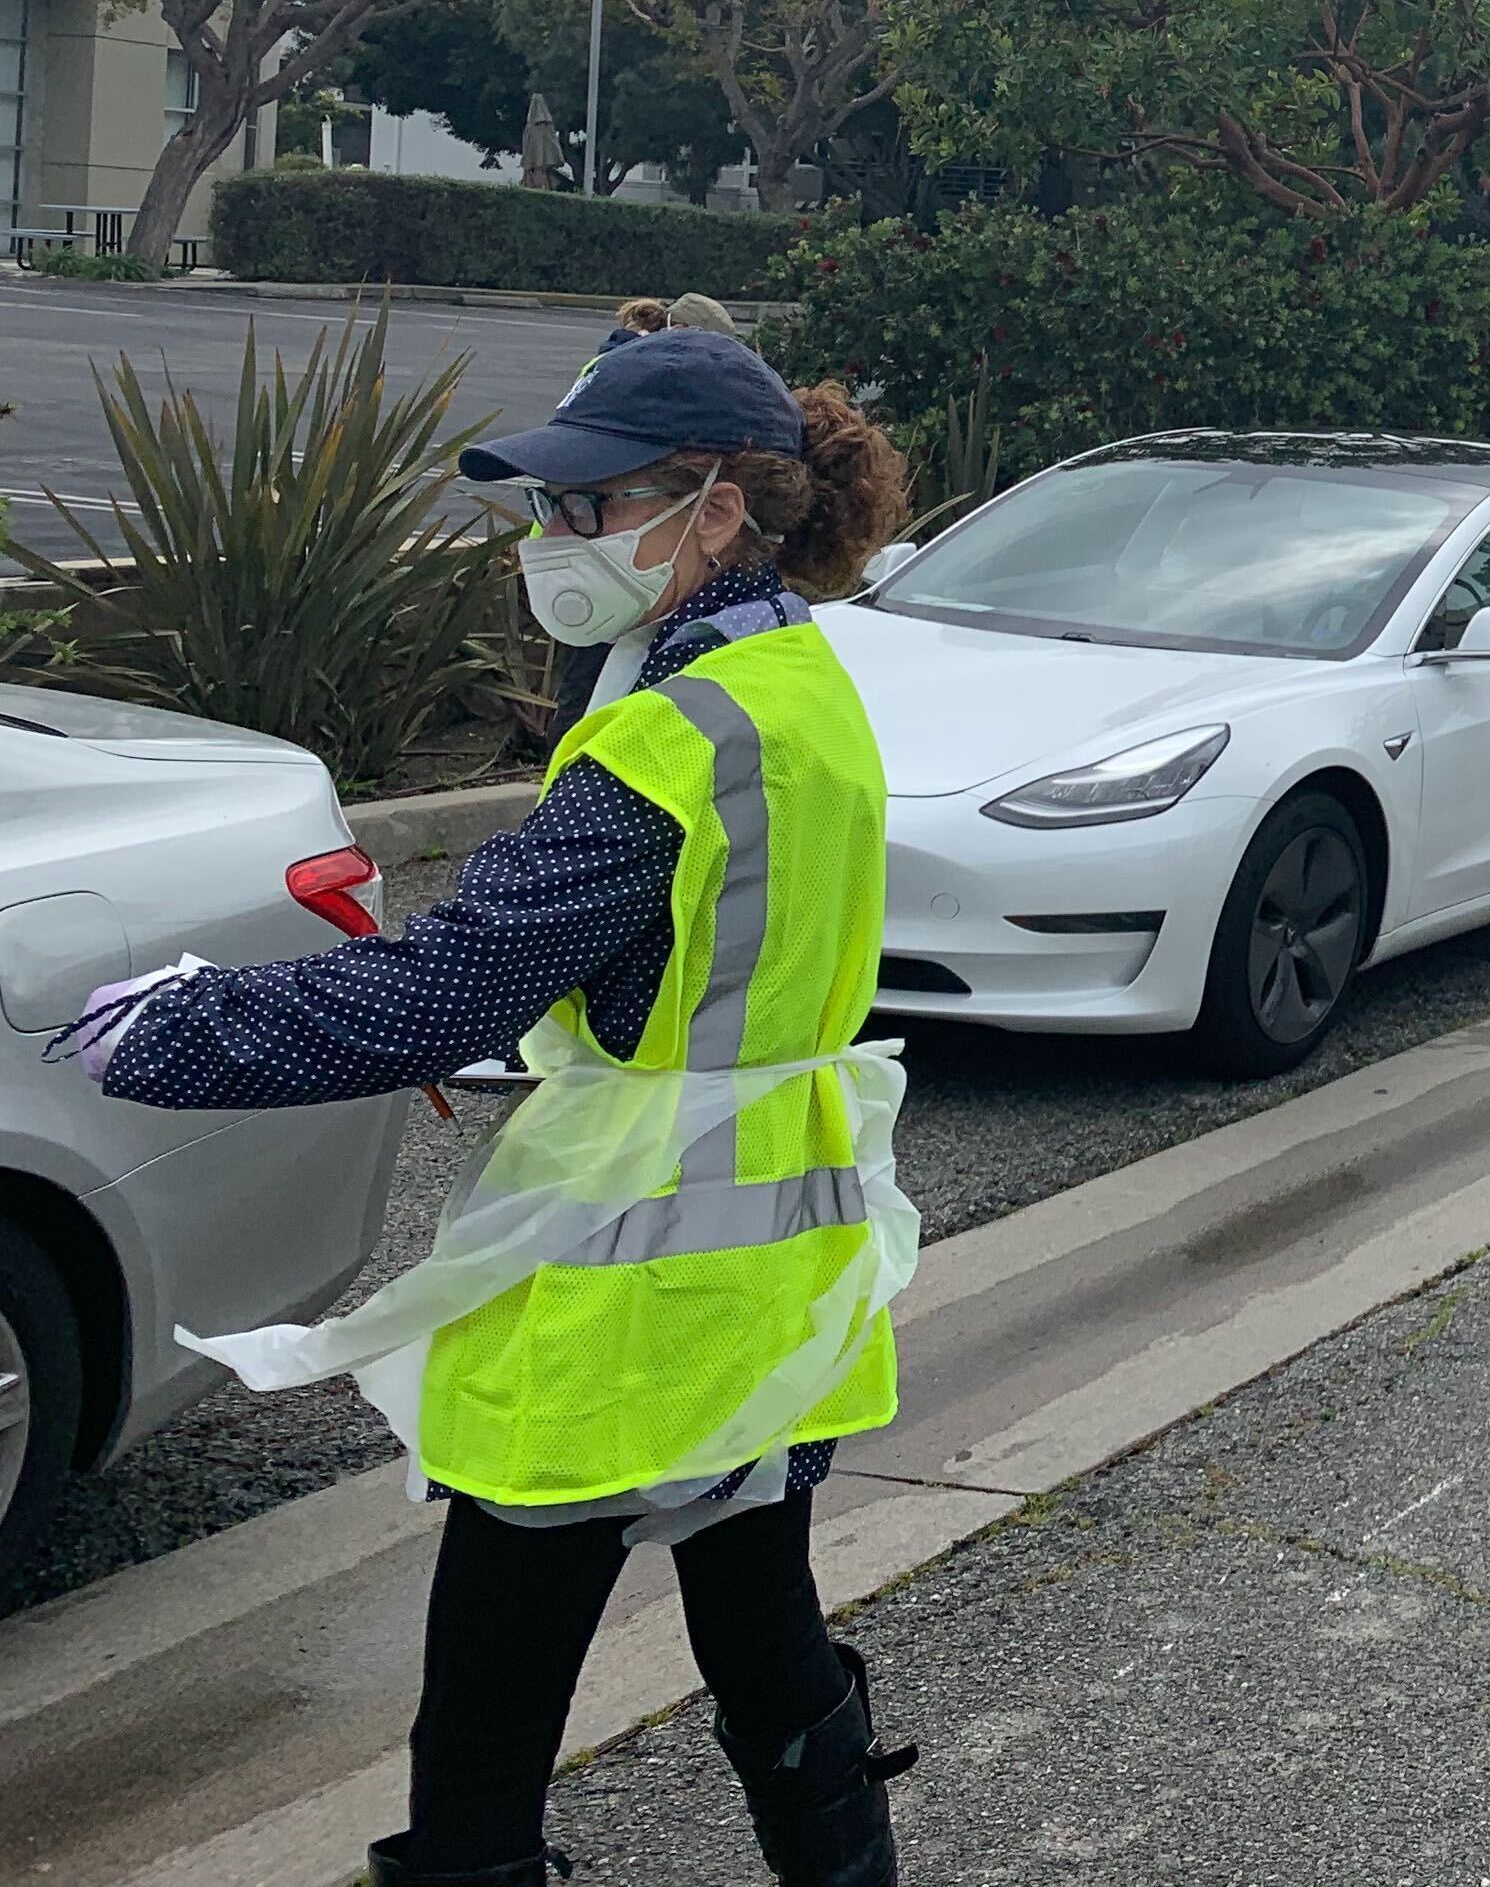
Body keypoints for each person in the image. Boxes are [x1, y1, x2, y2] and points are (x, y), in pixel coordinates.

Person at [53, 332, 921, 1887]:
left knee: (485, 1730)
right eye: (546, 510)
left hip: (622, 1293)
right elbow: (724, 967)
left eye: (584, 507)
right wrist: (550, 1041)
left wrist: (179, 1025)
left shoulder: (671, 731)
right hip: (784, 1264)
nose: (549, 543)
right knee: (765, 1637)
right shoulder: (799, 683)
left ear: (716, 509)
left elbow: (437, 989)